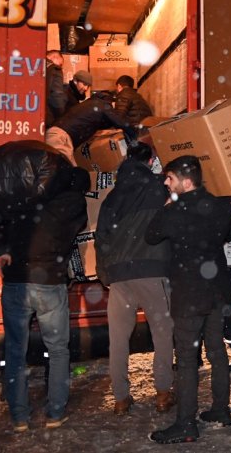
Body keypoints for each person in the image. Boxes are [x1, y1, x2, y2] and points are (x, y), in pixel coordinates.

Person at [0, 165, 89, 431]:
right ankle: (55, 412)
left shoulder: (18, 198)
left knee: (16, 350)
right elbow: (79, 225)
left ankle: (19, 417)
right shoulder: (70, 202)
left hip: (16, 280)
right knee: (58, 350)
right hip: (50, 281)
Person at [146, 156, 231, 445]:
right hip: (217, 289)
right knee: (217, 351)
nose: (166, 184)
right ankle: (221, 410)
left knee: (185, 359)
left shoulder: (175, 211)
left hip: (189, 294)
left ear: (185, 181)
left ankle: (186, 423)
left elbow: (151, 235)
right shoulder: (221, 206)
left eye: (169, 179)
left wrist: (169, 206)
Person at [95, 142, 175, 416]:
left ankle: (120, 398)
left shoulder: (112, 197)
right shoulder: (159, 187)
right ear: (151, 160)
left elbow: (101, 238)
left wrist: (105, 273)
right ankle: (163, 393)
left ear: (127, 159)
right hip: (152, 270)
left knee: (118, 338)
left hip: (119, 275)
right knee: (162, 334)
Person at [45, 90, 135, 165]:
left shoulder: (89, 104)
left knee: (66, 176)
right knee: (70, 175)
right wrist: (136, 137)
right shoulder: (102, 105)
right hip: (60, 138)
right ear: (111, 101)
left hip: (54, 135)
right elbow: (121, 122)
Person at [45, 50, 69, 127]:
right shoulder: (55, 69)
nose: (61, 66)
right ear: (54, 57)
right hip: (47, 117)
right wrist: (61, 115)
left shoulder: (34, 64)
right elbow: (56, 96)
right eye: (61, 64)